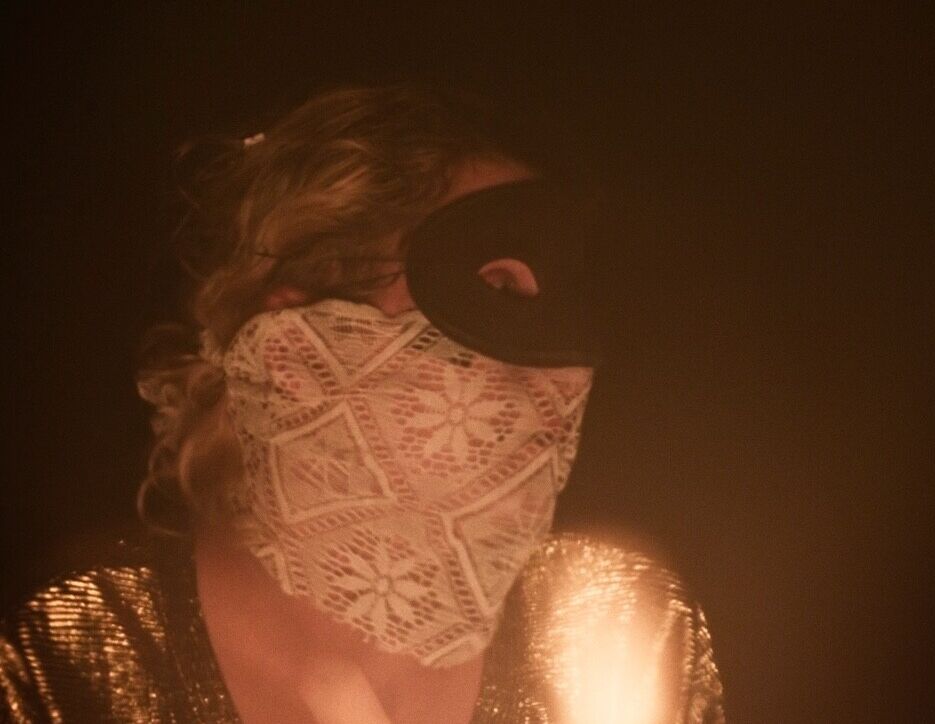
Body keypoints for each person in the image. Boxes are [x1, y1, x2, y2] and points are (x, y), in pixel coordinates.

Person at [0, 85, 724, 723]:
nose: (557, 369)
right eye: (498, 287)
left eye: (562, 298)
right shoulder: (74, 651)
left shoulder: (614, 626)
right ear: (303, 333)